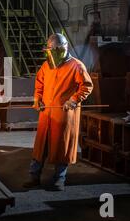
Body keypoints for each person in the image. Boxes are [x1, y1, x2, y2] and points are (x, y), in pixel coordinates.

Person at [24, 33, 93, 191]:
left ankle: (59, 180)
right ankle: (34, 177)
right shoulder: (46, 66)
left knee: (62, 146)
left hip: (63, 114)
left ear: (62, 50)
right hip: (46, 113)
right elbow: (39, 84)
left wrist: (74, 100)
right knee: (40, 147)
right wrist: (37, 99)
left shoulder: (76, 66)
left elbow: (87, 86)